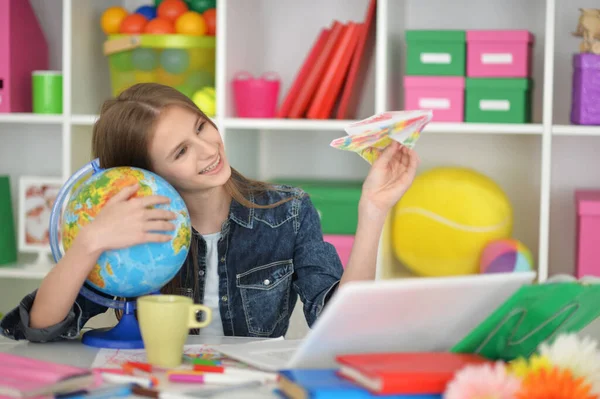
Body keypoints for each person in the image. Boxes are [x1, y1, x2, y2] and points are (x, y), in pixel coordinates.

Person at [0, 83, 419, 342]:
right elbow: (41, 327)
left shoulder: (287, 211)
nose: (208, 149)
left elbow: (342, 325)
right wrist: (90, 240)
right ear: (146, 172)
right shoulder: (129, 230)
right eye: (181, 151)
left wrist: (373, 210)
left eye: (201, 127)